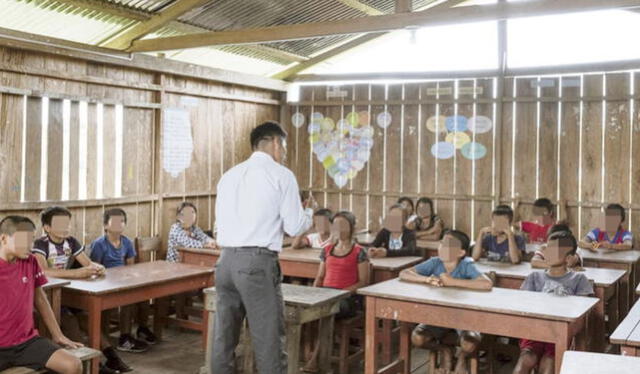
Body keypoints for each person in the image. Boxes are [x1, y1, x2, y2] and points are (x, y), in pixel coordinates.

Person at [212, 121, 316, 374]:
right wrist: (309, 210)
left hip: (225, 263)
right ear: (275, 143)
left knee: (223, 339)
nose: (285, 152)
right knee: (268, 339)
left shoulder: (229, 175)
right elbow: (294, 226)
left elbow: (219, 225)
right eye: (285, 146)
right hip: (256, 264)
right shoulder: (281, 175)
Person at [32, 206, 129, 373]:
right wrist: (76, 273)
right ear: (47, 228)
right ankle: (92, 365)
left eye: (66, 224)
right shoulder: (40, 244)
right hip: (45, 295)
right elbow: (43, 272)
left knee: (86, 317)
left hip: (66, 292)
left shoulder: (71, 241)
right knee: (70, 320)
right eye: (59, 224)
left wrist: (97, 268)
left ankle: (111, 356)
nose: (65, 228)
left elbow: (88, 263)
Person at [400, 230, 493, 373]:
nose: (442, 247)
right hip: (438, 316)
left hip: (463, 317)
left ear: (461, 253)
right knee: (417, 338)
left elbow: (487, 284)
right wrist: (426, 279)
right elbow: (404, 273)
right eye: (442, 243)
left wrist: (452, 282)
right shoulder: (435, 262)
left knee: (468, 344)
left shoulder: (466, 265)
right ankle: (445, 350)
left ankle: (462, 356)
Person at [0, 215, 83, 374]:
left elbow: (40, 299)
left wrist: (58, 334)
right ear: (4, 239)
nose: (30, 246)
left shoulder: (30, 261)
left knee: (73, 365)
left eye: (31, 240)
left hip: (27, 343)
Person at [513, 230, 594, 374]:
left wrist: (568, 333)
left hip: (560, 333)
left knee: (549, 364)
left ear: (569, 259)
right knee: (525, 361)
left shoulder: (579, 279)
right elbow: (523, 305)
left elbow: (582, 314)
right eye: (548, 248)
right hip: (535, 330)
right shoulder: (534, 277)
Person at [303, 211, 369, 372]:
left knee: (328, 312)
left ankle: (316, 359)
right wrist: (313, 295)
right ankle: (314, 356)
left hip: (348, 298)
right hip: (325, 295)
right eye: (336, 225)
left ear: (352, 228)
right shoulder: (327, 250)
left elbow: (363, 282)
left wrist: (340, 293)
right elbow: (319, 277)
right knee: (308, 310)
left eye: (343, 225)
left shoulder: (359, 251)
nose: (339, 228)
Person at [90, 208, 156, 351]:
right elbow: (94, 269)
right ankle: (122, 339)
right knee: (127, 301)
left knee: (142, 295)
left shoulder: (126, 242)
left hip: (123, 281)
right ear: (105, 226)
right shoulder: (99, 244)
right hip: (105, 284)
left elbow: (130, 267)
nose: (118, 225)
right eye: (114, 222)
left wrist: (129, 278)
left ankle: (135, 331)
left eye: (122, 222)